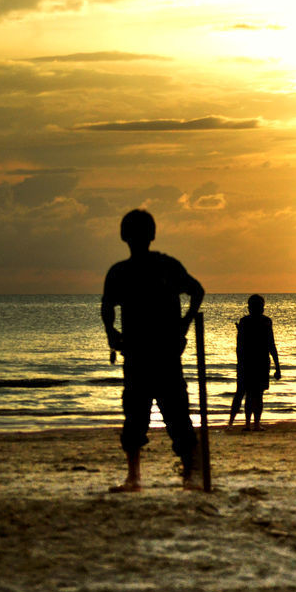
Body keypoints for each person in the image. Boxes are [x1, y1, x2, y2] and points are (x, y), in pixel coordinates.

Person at [101, 209, 203, 492]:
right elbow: (107, 307)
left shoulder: (164, 266)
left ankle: (187, 472)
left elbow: (197, 291)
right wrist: (112, 334)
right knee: (137, 415)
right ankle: (135, 476)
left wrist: (184, 324)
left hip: (164, 352)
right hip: (138, 354)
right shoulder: (121, 272)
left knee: (174, 413)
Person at [229, 294, 281, 432]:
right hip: (249, 362)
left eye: (260, 306)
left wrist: (277, 366)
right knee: (248, 393)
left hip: (261, 362)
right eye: (255, 306)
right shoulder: (245, 322)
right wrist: (240, 364)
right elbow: (240, 346)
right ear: (250, 308)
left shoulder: (266, 322)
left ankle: (255, 423)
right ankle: (247, 423)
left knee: (257, 394)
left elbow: (271, 344)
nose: (258, 309)